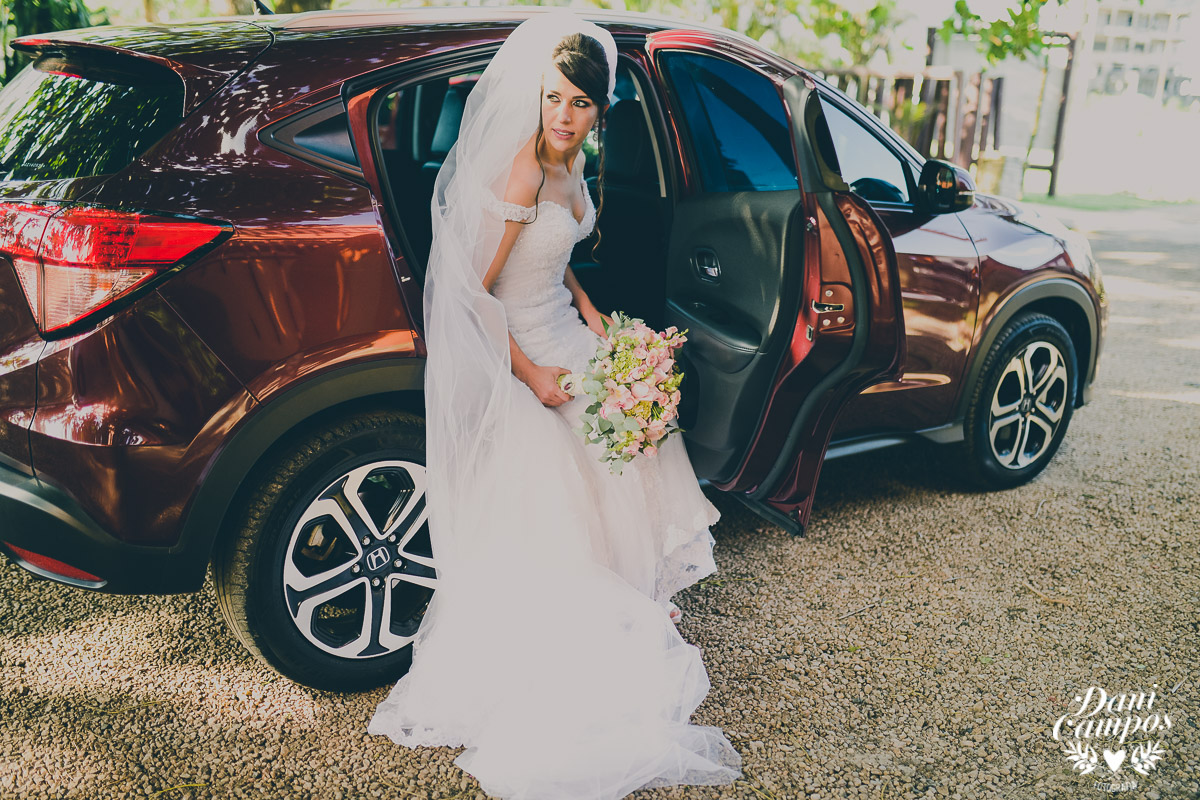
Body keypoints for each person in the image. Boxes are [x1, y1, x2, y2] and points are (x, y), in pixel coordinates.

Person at [368, 10, 743, 799]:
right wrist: (533, 374)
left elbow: (552, 254)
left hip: (569, 337)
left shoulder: (574, 170)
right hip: (522, 356)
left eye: (579, 103)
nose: (563, 115)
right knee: (568, 497)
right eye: (553, 98)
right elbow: (473, 289)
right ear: (536, 97)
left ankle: (626, 615)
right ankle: (573, 648)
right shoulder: (523, 171)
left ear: (600, 111)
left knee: (632, 457)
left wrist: (592, 310)